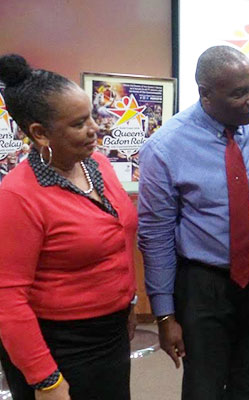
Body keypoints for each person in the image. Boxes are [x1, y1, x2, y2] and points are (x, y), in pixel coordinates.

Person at [137, 46, 249, 399]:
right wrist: (165, 315)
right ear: (206, 93)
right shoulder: (165, 147)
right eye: (239, 93)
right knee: (205, 387)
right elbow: (155, 236)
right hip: (204, 284)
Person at [0, 54, 137, 399]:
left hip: (111, 333)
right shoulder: (17, 196)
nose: (95, 128)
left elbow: (118, 239)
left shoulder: (98, 166)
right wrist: (46, 379)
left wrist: (128, 303)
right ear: (40, 133)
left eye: (92, 115)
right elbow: (7, 298)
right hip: (59, 346)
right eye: (79, 124)